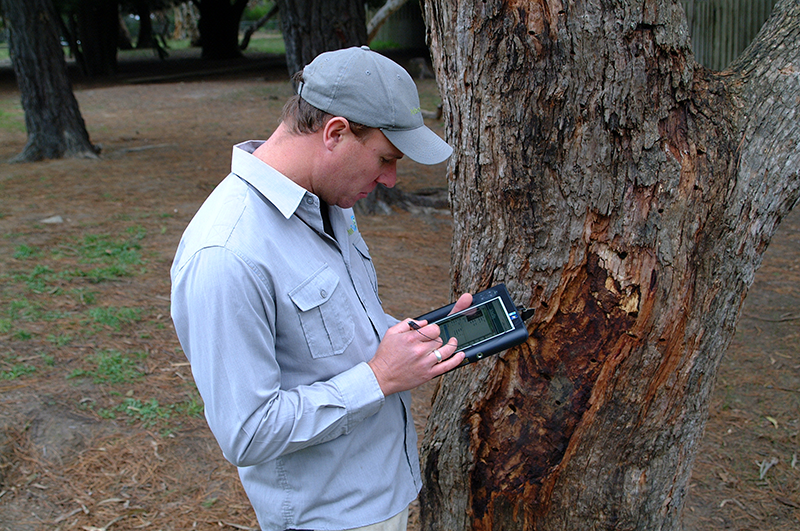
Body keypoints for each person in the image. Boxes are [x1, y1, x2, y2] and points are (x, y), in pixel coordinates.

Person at [170, 45, 472, 531]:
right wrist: (378, 377)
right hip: (326, 519)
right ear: (335, 132)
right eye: (385, 159)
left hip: (382, 495)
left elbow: (335, 337)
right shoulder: (227, 253)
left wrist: (417, 340)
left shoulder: (328, 203)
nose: (391, 180)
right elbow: (246, 433)